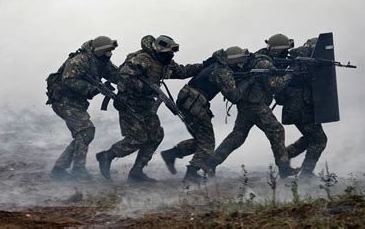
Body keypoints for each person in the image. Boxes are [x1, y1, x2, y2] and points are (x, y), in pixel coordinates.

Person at [96, 35, 203, 182]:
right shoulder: (143, 59)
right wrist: (143, 88)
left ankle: (137, 171)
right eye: (168, 52)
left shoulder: (164, 62)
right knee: (138, 138)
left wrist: (204, 65)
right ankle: (107, 156)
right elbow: (123, 76)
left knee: (156, 135)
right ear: (159, 49)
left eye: (172, 53)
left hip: (146, 104)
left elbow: (183, 72)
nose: (171, 56)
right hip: (129, 102)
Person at [206, 34, 299, 178]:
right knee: (277, 131)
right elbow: (275, 84)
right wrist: (291, 73)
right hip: (256, 105)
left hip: (246, 104)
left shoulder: (260, 55)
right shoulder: (263, 62)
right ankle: (284, 169)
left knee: (237, 137)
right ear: (277, 50)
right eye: (284, 50)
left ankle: (210, 164)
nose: (286, 52)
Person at [160, 47, 254, 183]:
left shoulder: (215, 64)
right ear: (234, 61)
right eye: (240, 61)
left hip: (187, 99)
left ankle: (172, 154)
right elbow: (234, 96)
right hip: (195, 103)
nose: (241, 63)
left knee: (201, 140)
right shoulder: (223, 72)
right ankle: (191, 173)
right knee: (208, 143)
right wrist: (248, 81)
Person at [46, 36, 119, 180]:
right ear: (99, 51)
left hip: (75, 103)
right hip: (63, 101)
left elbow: (116, 75)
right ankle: (78, 169)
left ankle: (59, 169)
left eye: (111, 51)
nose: (110, 54)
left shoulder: (101, 62)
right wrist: (92, 89)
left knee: (84, 134)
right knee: (86, 131)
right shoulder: (80, 60)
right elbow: (68, 80)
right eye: (107, 51)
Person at [282, 37, 328, 179]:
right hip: (301, 109)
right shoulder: (303, 60)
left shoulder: (297, 59)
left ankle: (285, 156)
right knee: (319, 139)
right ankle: (306, 173)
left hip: (297, 108)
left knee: (311, 137)